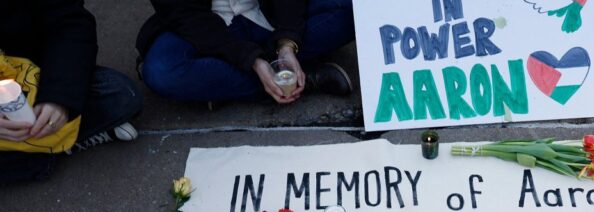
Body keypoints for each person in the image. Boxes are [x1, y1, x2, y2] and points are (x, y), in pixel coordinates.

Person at [0, 0, 143, 184]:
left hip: (34, 76)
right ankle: (48, 152)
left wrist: (58, 99)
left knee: (120, 94)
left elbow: (70, 23)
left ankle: (31, 152)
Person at [137, 0, 356, 105]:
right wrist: (252, 60)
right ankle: (302, 79)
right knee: (162, 71)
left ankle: (219, 85)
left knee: (354, 9)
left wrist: (287, 43)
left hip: (266, 15)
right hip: (207, 27)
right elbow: (183, 14)